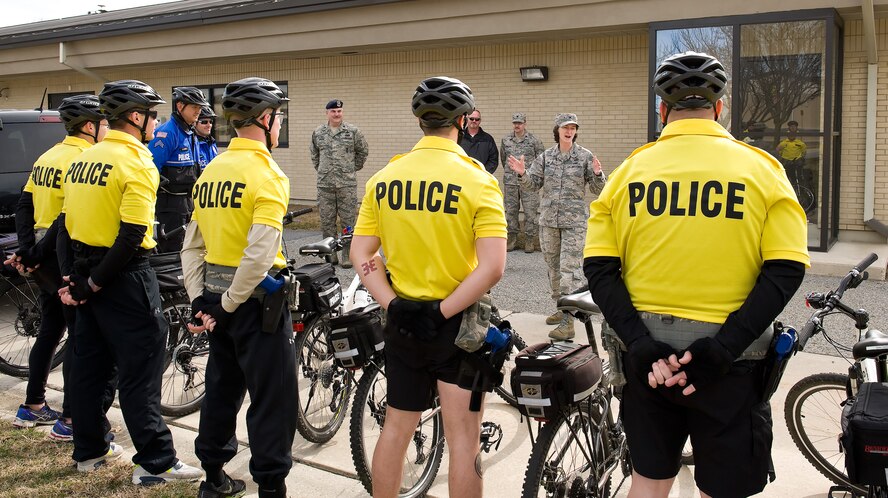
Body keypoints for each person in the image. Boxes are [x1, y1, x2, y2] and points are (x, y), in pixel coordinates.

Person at [583, 52, 809, 498]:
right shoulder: (763, 169)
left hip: (649, 363)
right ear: (719, 108)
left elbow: (599, 268)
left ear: (662, 110)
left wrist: (641, 343)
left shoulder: (629, 171)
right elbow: (786, 269)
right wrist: (723, 350)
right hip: (730, 365)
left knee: (647, 482)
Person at [351, 76, 506, 498]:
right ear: (461, 120)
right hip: (457, 327)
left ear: (420, 121)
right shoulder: (477, 180)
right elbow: (492, 267)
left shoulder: (385, 177)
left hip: (403, 325)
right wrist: (440, 312)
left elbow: (362, 254)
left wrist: (394, 304)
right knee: (463, 442)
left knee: (397, 428)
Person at [58, 79, 202, 484]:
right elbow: (133, 234)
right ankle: (155, 462)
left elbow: (67, 226)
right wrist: (97, 284)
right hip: (124, 277)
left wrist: (76, 278)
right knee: (141, 369)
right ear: (136, 117)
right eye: (153, 115)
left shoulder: (83, 159)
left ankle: (89, 450)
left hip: (86, 267)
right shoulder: (135, 159)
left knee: (89, 367)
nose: (156, 123)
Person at [183, 77, 296, 498]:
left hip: (214, 300)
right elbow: (260, 254)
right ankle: (271, 489)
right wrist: (230, 305)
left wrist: (201, 300)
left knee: (221, 390)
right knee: (273, 400)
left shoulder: (211, 170)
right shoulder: (268, 174)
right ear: (265, 119)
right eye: (278, 117)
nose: (279, 125)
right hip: (254, 306)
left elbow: (191, 247)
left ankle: (212, 479)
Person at [6, 95, 107, 441]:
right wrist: (38, 252)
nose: (107, 129)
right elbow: (64, 220)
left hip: (40, 253)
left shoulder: (47, 155)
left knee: (50, 330)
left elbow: (24, 203)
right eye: (105, 123)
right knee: (79, 339)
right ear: (90, 127)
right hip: (61, 254)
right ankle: (70, 419)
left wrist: (26, 249)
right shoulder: (84, 159)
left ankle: (32, 405)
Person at [507, 112, 606, 340]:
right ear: (558, 130)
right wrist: (522, 174)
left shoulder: (584, 156)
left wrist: (599, 174)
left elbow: (598, 189)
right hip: (549, 221)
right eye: (565, 128)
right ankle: (561, 307)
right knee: (553, 266)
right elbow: (532, 185)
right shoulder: (545, 157)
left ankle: (568, 320)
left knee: (569, 270)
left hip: (574, 224)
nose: (569, 131)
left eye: (573, 128)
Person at [149, 86, 210, 252]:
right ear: (180, 106)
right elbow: (150, 169)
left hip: (188, 202)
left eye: (200, 107)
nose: (198, 111)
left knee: (189, 248)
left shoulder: (190, 132)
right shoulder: (167, 133)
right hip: (170, 204)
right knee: (172, 249)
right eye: (194, 107)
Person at [309, 99, 369, 268]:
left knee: (348, 222)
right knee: (327, 221)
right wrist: (323, 169)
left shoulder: (353, 131)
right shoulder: (318, 132)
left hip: (346, 185)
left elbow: (363, 152)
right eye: (333, 111)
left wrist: (351, 168)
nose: (337, 114)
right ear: (327, 113)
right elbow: (314, 155)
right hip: (325, 185)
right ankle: (330, 254)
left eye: (339, 111)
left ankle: (347, 255)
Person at [500, 112, 545, 253]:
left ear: (525, 123)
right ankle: (512, 239)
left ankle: (529, 240)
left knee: (530, 211)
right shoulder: (506, 140)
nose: (517, 125)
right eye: (515, 123)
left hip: (528, 182)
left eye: (519, 123)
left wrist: (532, 176)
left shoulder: (534, 140)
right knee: (511, 211)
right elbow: (503, 159)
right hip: (511, 182)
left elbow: (540, 160)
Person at [459, 109, 498, 174]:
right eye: (471, 118)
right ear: (467, 119)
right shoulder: (459, 137)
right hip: (462, 176)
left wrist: (483, 173)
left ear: (480, 121)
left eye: (477, 119)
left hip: (481, 178)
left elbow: (493, 160)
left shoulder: (488, 139)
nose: (474, 121)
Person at [776, 120, 807, 186]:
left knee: (797, 178)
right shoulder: (784, 143)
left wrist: (800, 159)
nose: (793, 128)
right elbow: (777, 150)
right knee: (786, 178)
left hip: (796, 163)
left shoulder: (800, 143)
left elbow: (804, 152)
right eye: (791, 126)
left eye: (794, 126)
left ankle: (799, 189)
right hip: (787, 163)